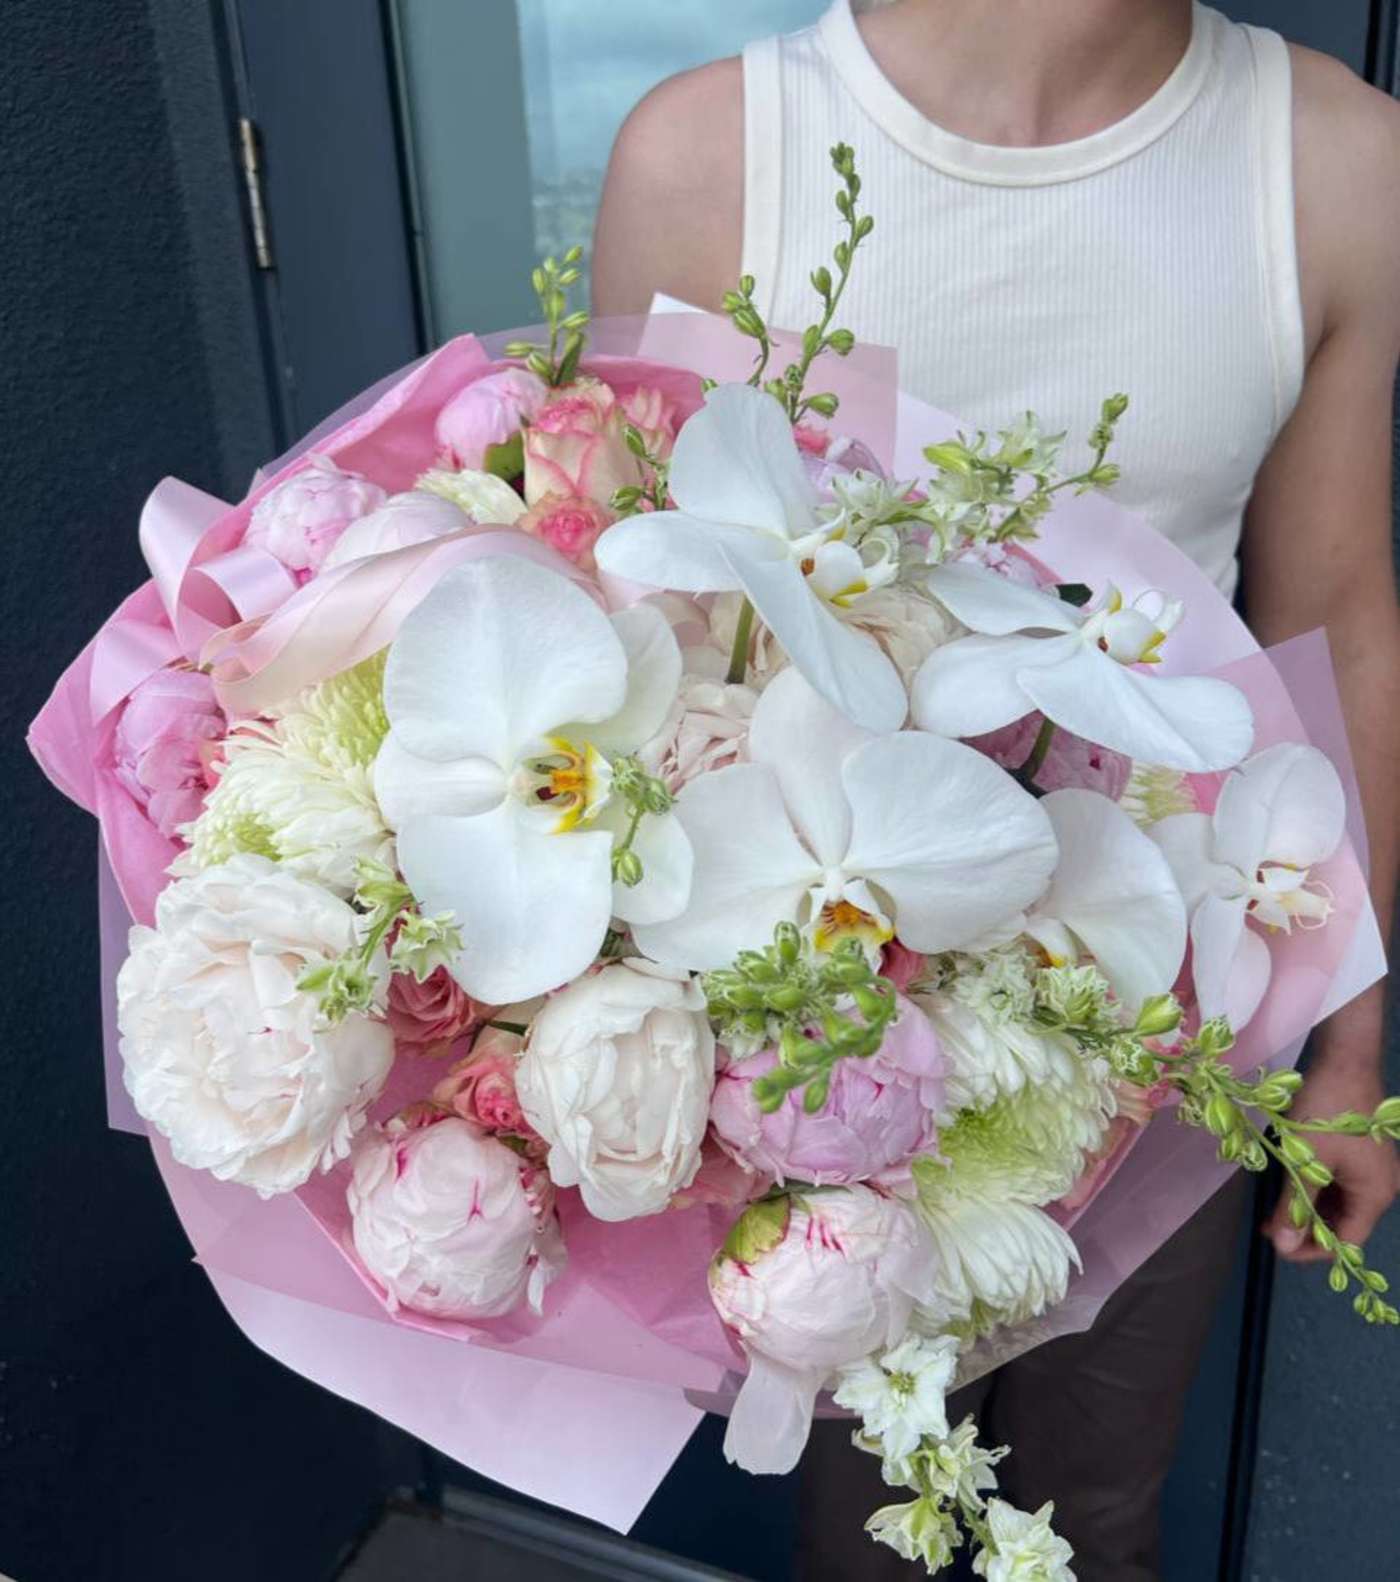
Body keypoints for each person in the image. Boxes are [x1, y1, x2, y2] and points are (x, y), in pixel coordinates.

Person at [591, 1, 1400, 1576]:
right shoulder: (707, 155)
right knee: (866, 1525)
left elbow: (1335, 611)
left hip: (1163, 1022)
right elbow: (630, 621)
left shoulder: (1335, 162)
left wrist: (1350, 1037)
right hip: (813, 1021)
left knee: (1095, 1506)